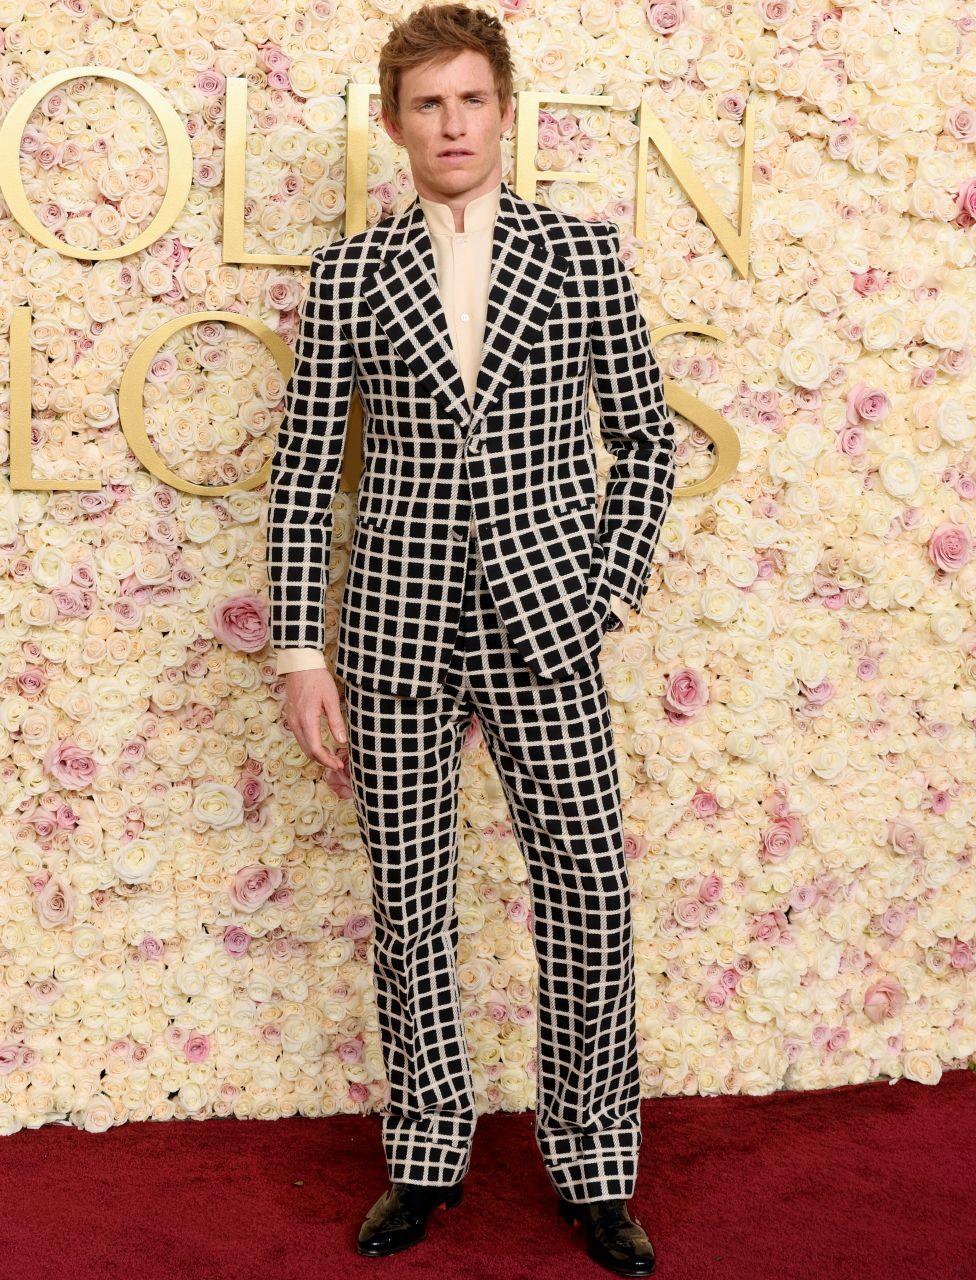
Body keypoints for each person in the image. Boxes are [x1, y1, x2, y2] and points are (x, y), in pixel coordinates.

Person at [266, 4, 676, 1273]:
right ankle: (427, 1154)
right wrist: (298, 651)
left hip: (549, 624)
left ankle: (596, 1165)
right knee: (409, 903)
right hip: (390, 629)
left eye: (471, 100)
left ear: (505, 110)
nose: (451, 124)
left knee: (590, 896)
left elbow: (648, 434)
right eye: (427, 104)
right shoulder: (349, 274)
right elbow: (298, 478)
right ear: (394, 123)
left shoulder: (583, 254)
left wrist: (602, 590)